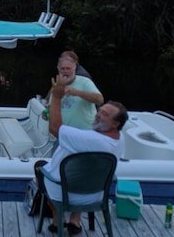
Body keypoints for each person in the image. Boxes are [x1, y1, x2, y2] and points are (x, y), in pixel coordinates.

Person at [38, 74, 127, 234]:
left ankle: (58, 218)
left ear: (115, 124)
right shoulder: (120, 139)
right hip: (96, 195)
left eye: (105, 115)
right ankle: (75, 220)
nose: (98, 114)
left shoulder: (90, 139)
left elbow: (55, 128)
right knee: (83, 172)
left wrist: (57, 97)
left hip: (65, 194)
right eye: (100, 110)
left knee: (40, 168)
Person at [45, 55, 104, 130]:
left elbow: (100, 100)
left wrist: (77, 93)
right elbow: (51, 107)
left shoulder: (85, 82)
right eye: (62, 69)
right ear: (59, 71)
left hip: (84, 132)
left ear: (74, 69)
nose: (65, 71)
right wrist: (46, 113)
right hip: (63, 133)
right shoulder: (57, 86)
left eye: (68, 68)